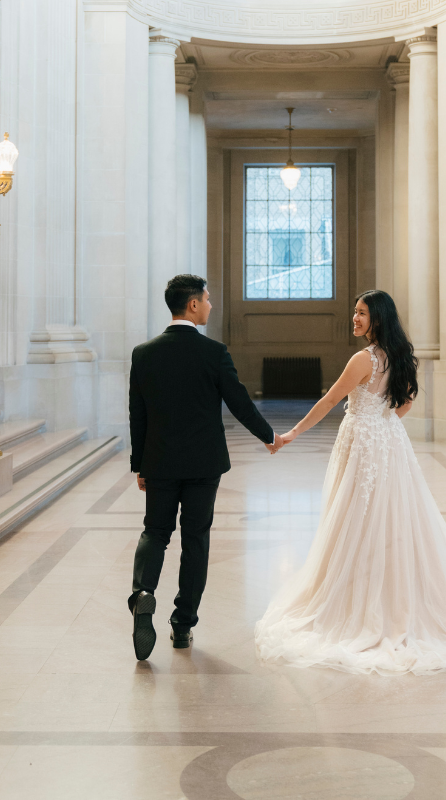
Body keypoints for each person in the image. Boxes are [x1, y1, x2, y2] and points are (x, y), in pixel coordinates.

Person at [254, 290, 446, 674]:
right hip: (388, 441)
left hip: (362, 442)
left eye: (361, 313)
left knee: (355, 516)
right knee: (390, 517)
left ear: (377, 318)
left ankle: (359, 599)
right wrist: (382, 421)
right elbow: (405, 402)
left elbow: (329, 401)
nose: (354, 318)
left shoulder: (363, 360)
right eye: (354, 311)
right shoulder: (397, 357)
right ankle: (392, 592)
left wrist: (292, 433)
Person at [127, 274, 276, 661]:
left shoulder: (143, 353)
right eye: (207, 300)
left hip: (158, 461)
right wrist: (269, 436)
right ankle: (182, 625)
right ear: (192, 304)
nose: (210, 305)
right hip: (202, 464)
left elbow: (137, 415)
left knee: (155, 531)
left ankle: (143, 593)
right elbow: (239, 401)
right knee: (195, 539)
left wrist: (138, 464)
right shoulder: (214, 353)